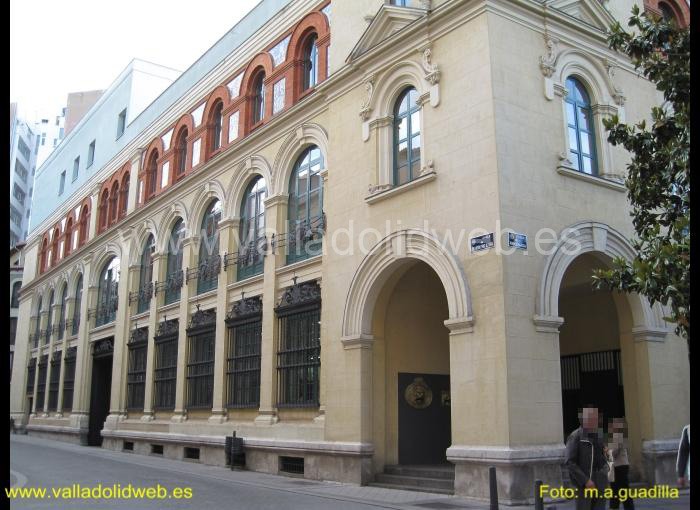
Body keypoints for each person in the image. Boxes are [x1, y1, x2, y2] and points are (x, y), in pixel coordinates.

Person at [564, 406, 610, 510]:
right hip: (584, 484)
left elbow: (602, 458)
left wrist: (605, 471)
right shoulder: (575, 436)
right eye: (592, 417)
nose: (595, 420)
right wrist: (585, 480)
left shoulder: (598, 435)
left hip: (600, 482)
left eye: (596, 417)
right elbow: (570, 462)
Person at [607, 417, 634, 509]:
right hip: (620, 466)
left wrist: (607, 451)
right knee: (619, 490)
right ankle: (615, 506)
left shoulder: (617, 436)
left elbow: (614, 451)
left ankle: (616, 507)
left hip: (619, 467)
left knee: (620, 490)